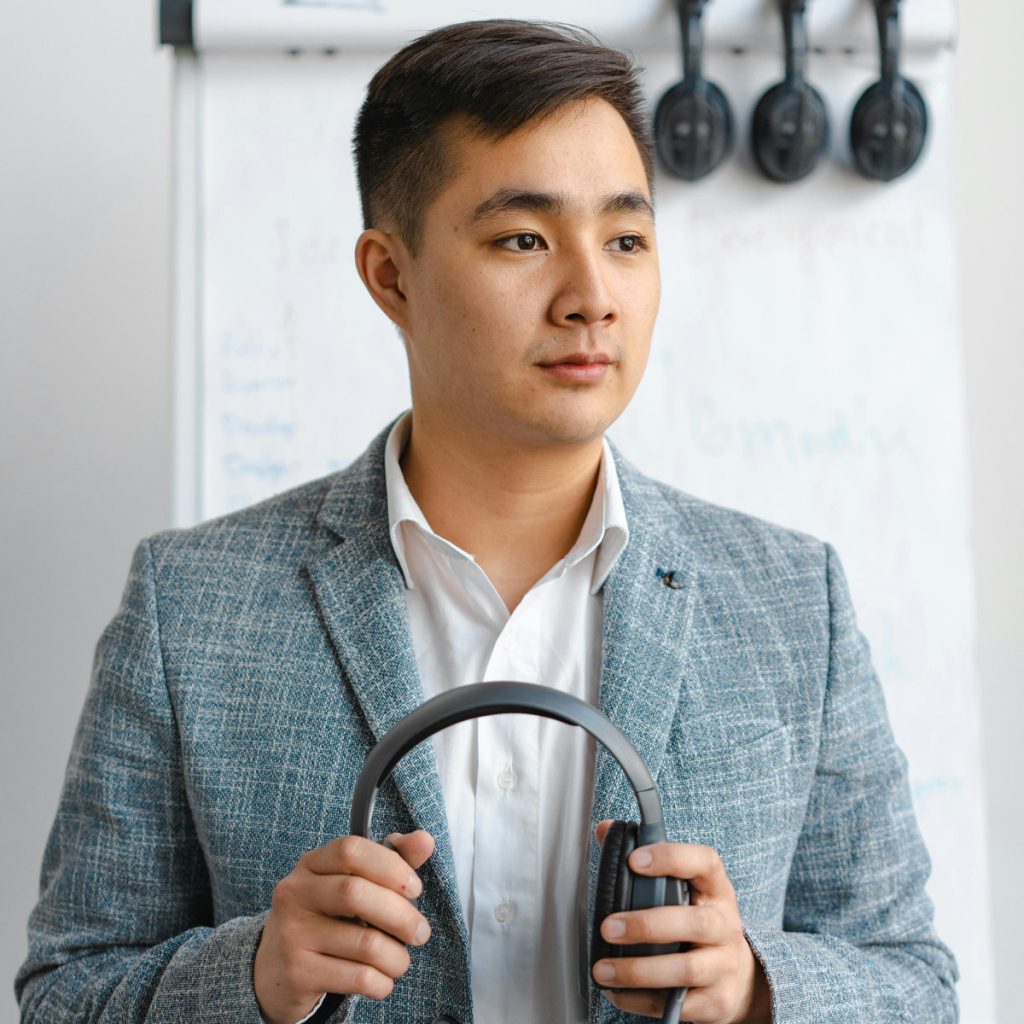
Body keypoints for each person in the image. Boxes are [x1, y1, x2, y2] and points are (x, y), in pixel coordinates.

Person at [17, 18, 957, 1024]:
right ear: (391, 276)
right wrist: (250, 975)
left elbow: (915, 984)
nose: (591, 297)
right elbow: (68, 993)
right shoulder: (192, 606)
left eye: (626, 240)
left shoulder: (792, 600)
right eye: (523, 240)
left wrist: (758, 989)